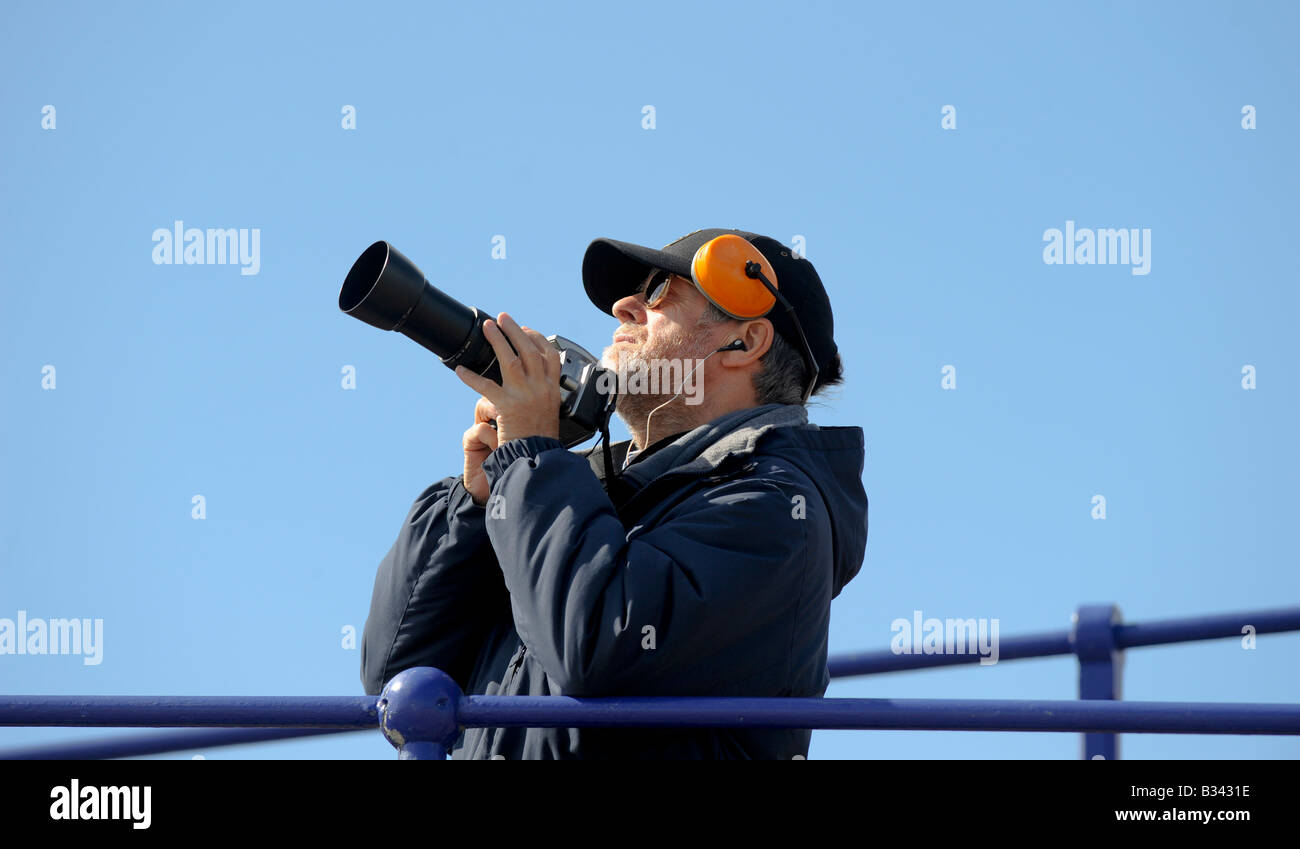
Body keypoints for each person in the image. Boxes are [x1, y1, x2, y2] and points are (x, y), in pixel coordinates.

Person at [360, 228, 869, 759]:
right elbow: (396, 671)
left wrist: (534, 456)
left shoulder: (777, 508)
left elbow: (596, 646)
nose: (624, 307)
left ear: (745, 343)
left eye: (659, 292)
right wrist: (479, 505)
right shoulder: (567, 494)